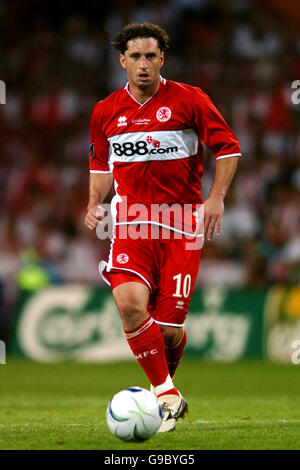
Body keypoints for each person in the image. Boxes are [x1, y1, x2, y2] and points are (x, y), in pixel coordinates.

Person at [84, 22, 241, 433]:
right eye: (135, 56)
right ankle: (167, 395)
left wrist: (216, 197)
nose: (143, 64)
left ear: (161, 59)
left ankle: (163, 387)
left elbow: (229, 148)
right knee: (131, 305)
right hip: (132, 223)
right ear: (122, 61)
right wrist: (93, 202)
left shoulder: (189, 100)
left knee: (169, 332)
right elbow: (100, 164)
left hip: (181, 224)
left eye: (150, 56)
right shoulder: (105, 111)